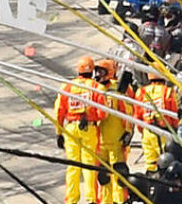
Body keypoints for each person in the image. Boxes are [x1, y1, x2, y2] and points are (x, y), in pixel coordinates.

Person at [56, 56, 107, 204]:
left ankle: (71, 199)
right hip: (89, 129)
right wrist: (92, 117)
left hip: (70, 128)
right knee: (89, 165)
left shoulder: (66, 87)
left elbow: (59, 110)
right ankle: (91, 198)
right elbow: (103, 113)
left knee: (73, 165)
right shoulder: (97, 88)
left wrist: (59, 132)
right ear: (92, 71)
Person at [94, 58, 132, 204]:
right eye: (96, 71)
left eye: (101, 71)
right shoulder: (95, 89)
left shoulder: (116, 90)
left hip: (117, 140)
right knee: (103, 176)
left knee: (119, 174)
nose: (98, 74)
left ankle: (120, 200)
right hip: (101, 141)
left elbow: (126, 111)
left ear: (109, 72)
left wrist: (128, 131)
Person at [134, 64, 178, 172]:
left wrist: (142, 130)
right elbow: (174, 114)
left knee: (150, 164)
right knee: (165, 162)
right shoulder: (167, 92)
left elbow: (137, 115)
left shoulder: (141, 92)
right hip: (163, 132)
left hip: (147, 132)